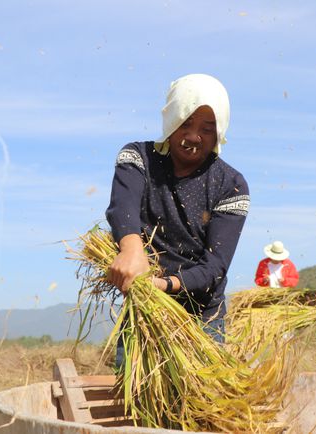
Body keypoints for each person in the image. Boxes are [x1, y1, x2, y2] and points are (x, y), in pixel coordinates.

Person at [105, 74, 249, 355]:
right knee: (133, 389)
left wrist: (164, 285)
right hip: (144, 311)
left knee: (202, 395)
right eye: (185, 123)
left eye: (207, 129)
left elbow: (214, 267)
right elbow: (123, 208)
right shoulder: (137, 157)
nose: (194, 137)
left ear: (220, 131)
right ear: (170, 119)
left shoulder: (230, 185)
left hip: (201, 316)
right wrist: (132, 250)